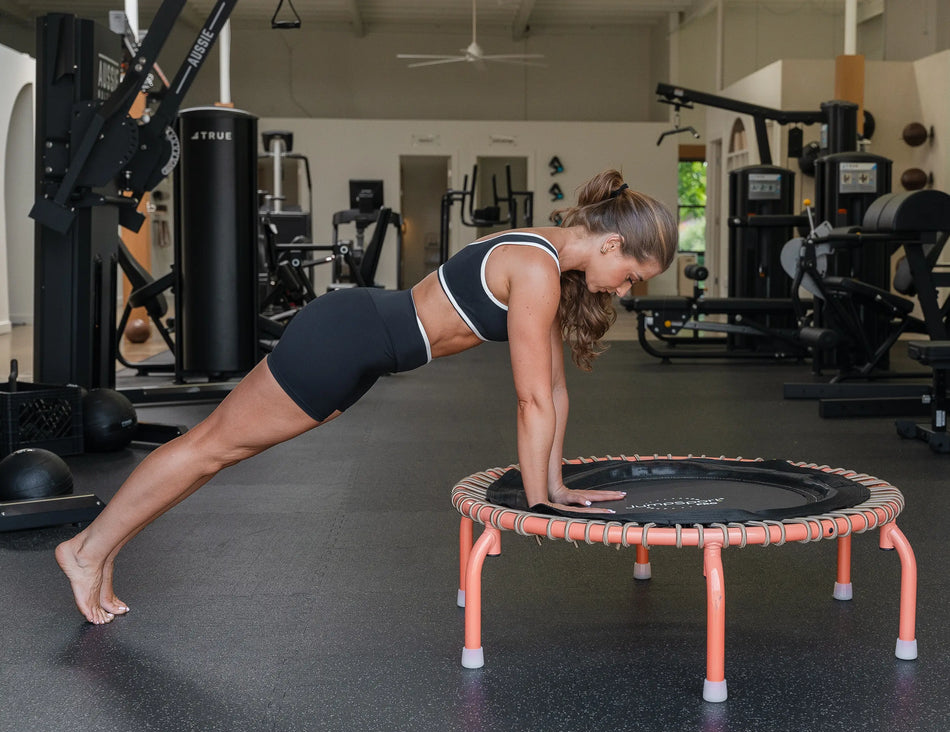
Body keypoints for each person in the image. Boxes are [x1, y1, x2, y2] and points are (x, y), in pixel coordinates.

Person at [56, 169, 678, 624]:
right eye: (630, 278)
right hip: (348, 339)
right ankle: (84, 549)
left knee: (218, 453)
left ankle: (102, 549)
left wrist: (557, 486)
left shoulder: (547, 257)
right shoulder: (537, 269)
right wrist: (539, 504)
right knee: (208, 447)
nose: (622, 291)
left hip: (364, 352)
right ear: (612, 244)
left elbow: (555, 390)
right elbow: (531, 401)